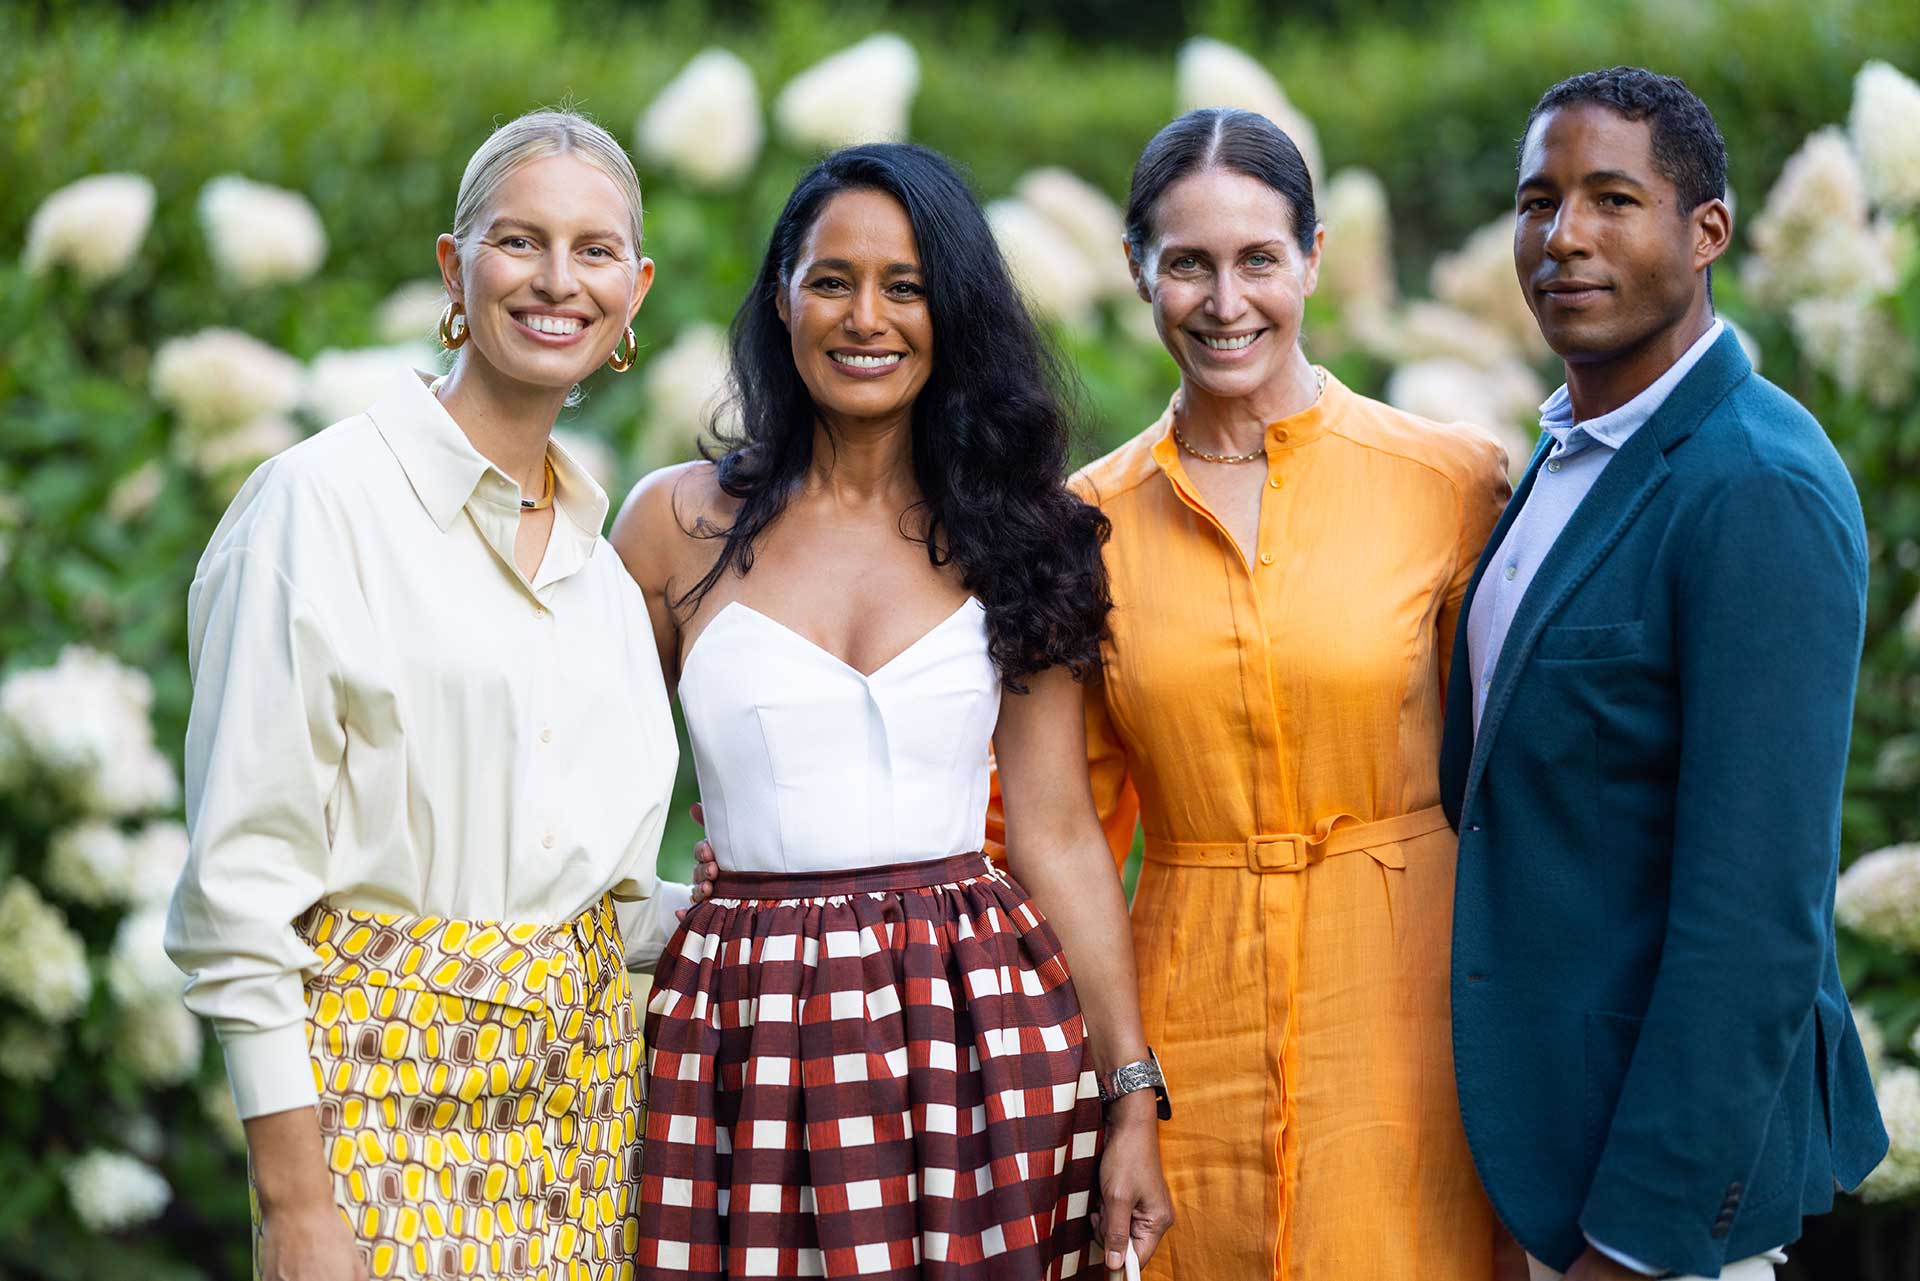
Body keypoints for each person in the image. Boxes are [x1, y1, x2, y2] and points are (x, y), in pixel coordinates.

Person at [611, 142, 1172, 1281]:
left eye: (905, 286)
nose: (867, 318)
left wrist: (1129, 1095)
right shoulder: (673, 525)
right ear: (781, 299)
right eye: (832, 280)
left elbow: (1059, 830)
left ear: (950, 311)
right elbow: (584, 790)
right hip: (741, 1025)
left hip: (979, 1027)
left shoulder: (1026, 532)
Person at [987, 107, 1513, 1280]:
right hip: (1185, 1011)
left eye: (1258, 259)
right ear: (1139, 271)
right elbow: (1055, 820)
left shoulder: (1453, 485)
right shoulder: (1081, 526)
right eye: (1189, 264)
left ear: (1314, 258)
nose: (1227, 302)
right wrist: (1122, 1083)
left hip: (1413, 1014)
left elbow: (1523, 772)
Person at [165, 109, 680, 1281]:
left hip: (582, 1151)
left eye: (596, 252)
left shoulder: (601, 572)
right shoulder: (317, 508)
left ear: (635, 291)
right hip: (370, 1144)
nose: (559, 281)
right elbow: (240, 894)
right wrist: (299, 1207)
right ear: (456, 268)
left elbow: (595, 895)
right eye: (521, 243)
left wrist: (826, 911)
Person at [1442, 67, 1889, 1281]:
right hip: (1532, 1141)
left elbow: (1756, 917)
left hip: (1647, 1194)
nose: (1564, 237)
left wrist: (1637, 1243)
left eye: (1612, 199)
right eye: (1539, 201)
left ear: (1708, 235)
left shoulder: (1757, 487)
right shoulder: (1572, 448)